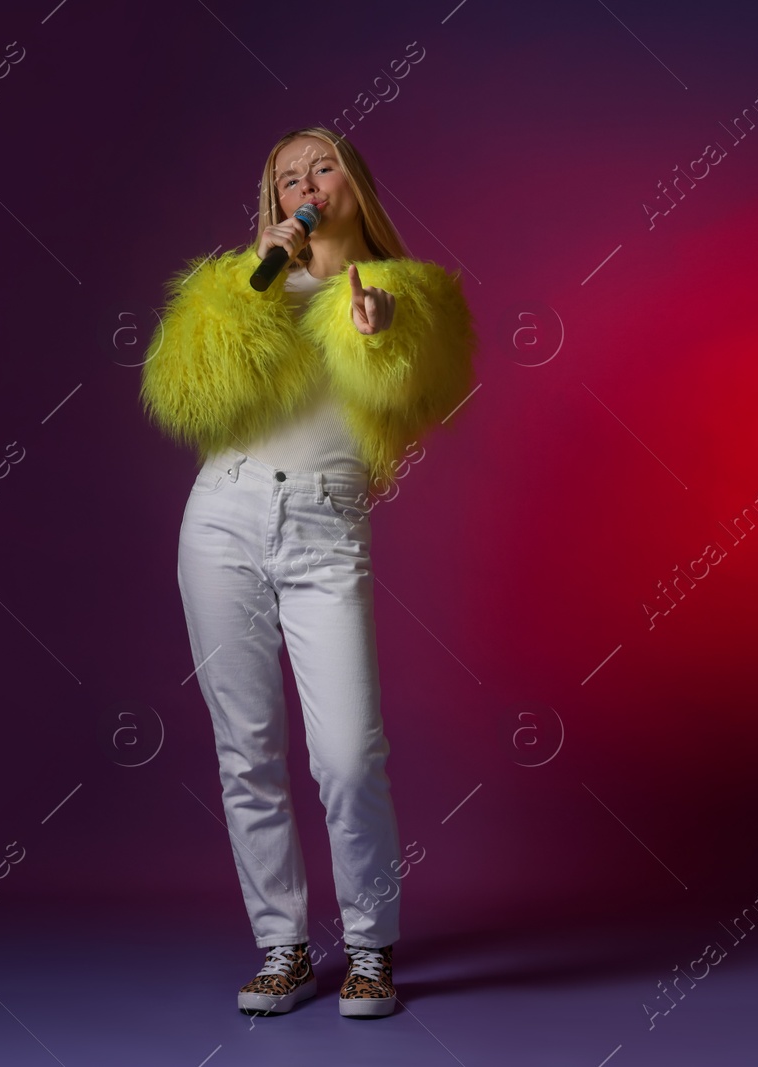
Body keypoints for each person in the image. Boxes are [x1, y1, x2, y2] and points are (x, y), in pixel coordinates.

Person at [139, 126, 477, 1018]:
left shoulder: (411, 293)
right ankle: (283, 946)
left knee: (349, 754)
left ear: (355, 183)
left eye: (320, 166)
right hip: (223, 514)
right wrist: (252, 290)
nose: (306, 183)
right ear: (271, 202)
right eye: (287, 176)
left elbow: (419, 389)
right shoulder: (240, 288)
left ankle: (369, 950)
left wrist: (379, 330)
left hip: (327, 522)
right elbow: (185, 393)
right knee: (245, 748)